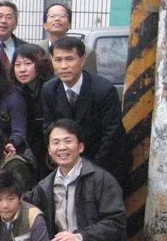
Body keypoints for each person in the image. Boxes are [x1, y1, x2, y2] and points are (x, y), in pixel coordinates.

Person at [41, 37, 128, 184]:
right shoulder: (49, 89)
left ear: (82, 61)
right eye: (58, 60)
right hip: (66, 163)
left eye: (69, 59)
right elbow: (49, 128)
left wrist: (89, 170)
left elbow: (112, 135)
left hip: (103, 165)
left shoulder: (103, 89)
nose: (64, 66)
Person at [11, 44, 54, 178]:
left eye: (28, 63)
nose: (22, 69)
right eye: (17, 65)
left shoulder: (51, 87)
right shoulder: (17, 91)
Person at [39, 3, 97, 74]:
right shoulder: (37, 49)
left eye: (62, 16)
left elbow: (90, 78)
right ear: (45, 25)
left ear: (69, 24)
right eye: (52, 16)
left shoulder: (86, 51)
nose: (57, 19)